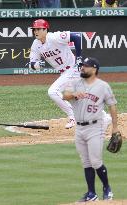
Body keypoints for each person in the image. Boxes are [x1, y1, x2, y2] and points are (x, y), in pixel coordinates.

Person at [62, 57, 118, 202]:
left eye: (86, 66)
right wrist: (73, 94)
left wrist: (115, 128)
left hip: (95, 127)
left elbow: (112, 105)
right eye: (82, 66)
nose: (82, 68)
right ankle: (91, 193)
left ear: (94, 69)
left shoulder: (103, 86)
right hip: (79, 129)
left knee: (96, 161)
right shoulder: (74, 83)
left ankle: (107, 188)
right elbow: (64, 95)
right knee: (86, 162)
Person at [28, 19, 82, 129]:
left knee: (53, 91)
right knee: (75, 99)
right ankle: (103, 117)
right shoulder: (36, 44)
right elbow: (32, 64)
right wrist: (37, 65)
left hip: (73, 69)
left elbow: (77, 36)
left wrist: (79, 57)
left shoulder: (54, 37)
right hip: (65, 73)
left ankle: (73, 117)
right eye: (34, 29)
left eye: (38, 29)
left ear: (45, 29)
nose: (35, 32)